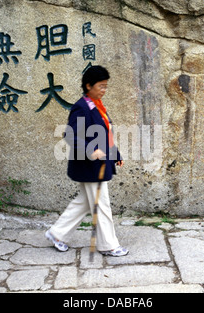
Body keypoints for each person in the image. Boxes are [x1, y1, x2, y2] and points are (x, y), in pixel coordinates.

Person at [45, 66, 129, 257]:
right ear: (88, 85)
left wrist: (116, 155)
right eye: (101, 86)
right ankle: (108, 245)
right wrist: (92, 151)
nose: (104, 90)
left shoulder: (97, 105)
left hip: (98, 164)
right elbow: (70, 136)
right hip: (90, 165)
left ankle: (57, 234)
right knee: (101, 204)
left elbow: (105, 134)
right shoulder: (82, 107)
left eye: (106, 86)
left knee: (83, 202)